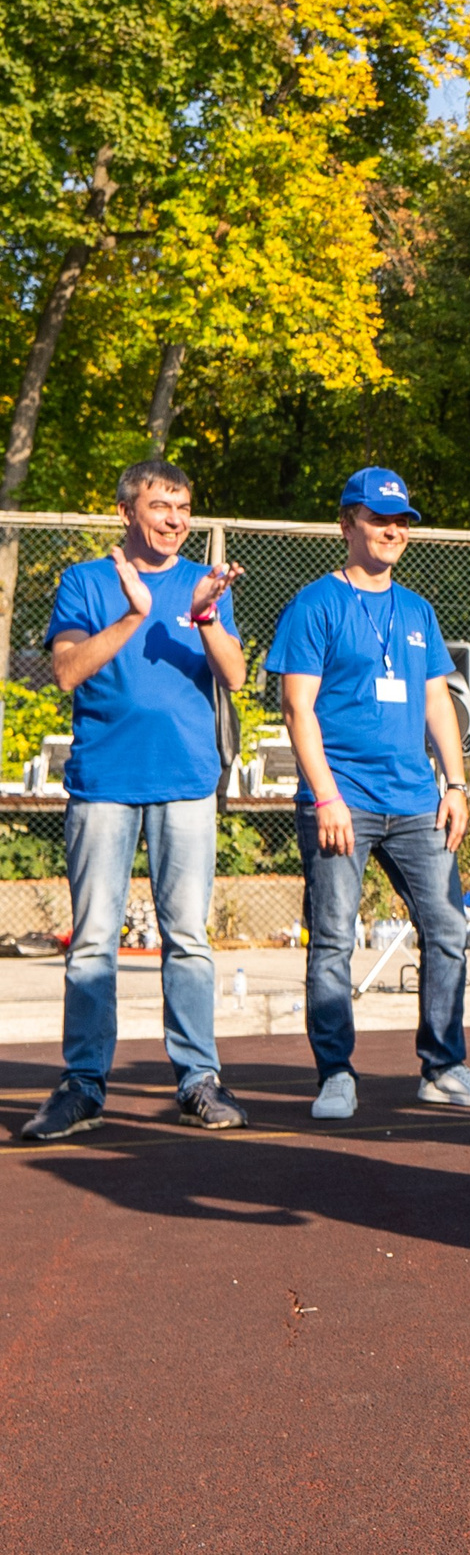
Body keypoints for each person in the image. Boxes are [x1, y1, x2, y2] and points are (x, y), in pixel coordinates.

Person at [17, 461, 247, 1141]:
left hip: (186, 785)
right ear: (126, 512)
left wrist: (204, 612)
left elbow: (232, 674)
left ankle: (198, 1079)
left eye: (183, 507)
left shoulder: (202, 582)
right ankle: (84, 1085)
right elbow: (65, 671)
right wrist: (132, 615)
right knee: (92, 944)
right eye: (161, 505)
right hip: (104, 786)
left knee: (190, 941)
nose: (176, 519)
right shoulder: (86, 581)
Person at [270, 468, 470, 1120]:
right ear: (346, 523)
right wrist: (325, 796)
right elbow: (297, 708)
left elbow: (437, 700)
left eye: (401, 520)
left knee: (447, 927)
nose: (393, 529)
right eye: (379, 518)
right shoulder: (315, 603)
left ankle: (444, 1068)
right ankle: (336, 1074)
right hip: (341, 800)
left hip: (416, 803)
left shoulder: (418, 611)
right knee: (332, 940)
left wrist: (455, 784)